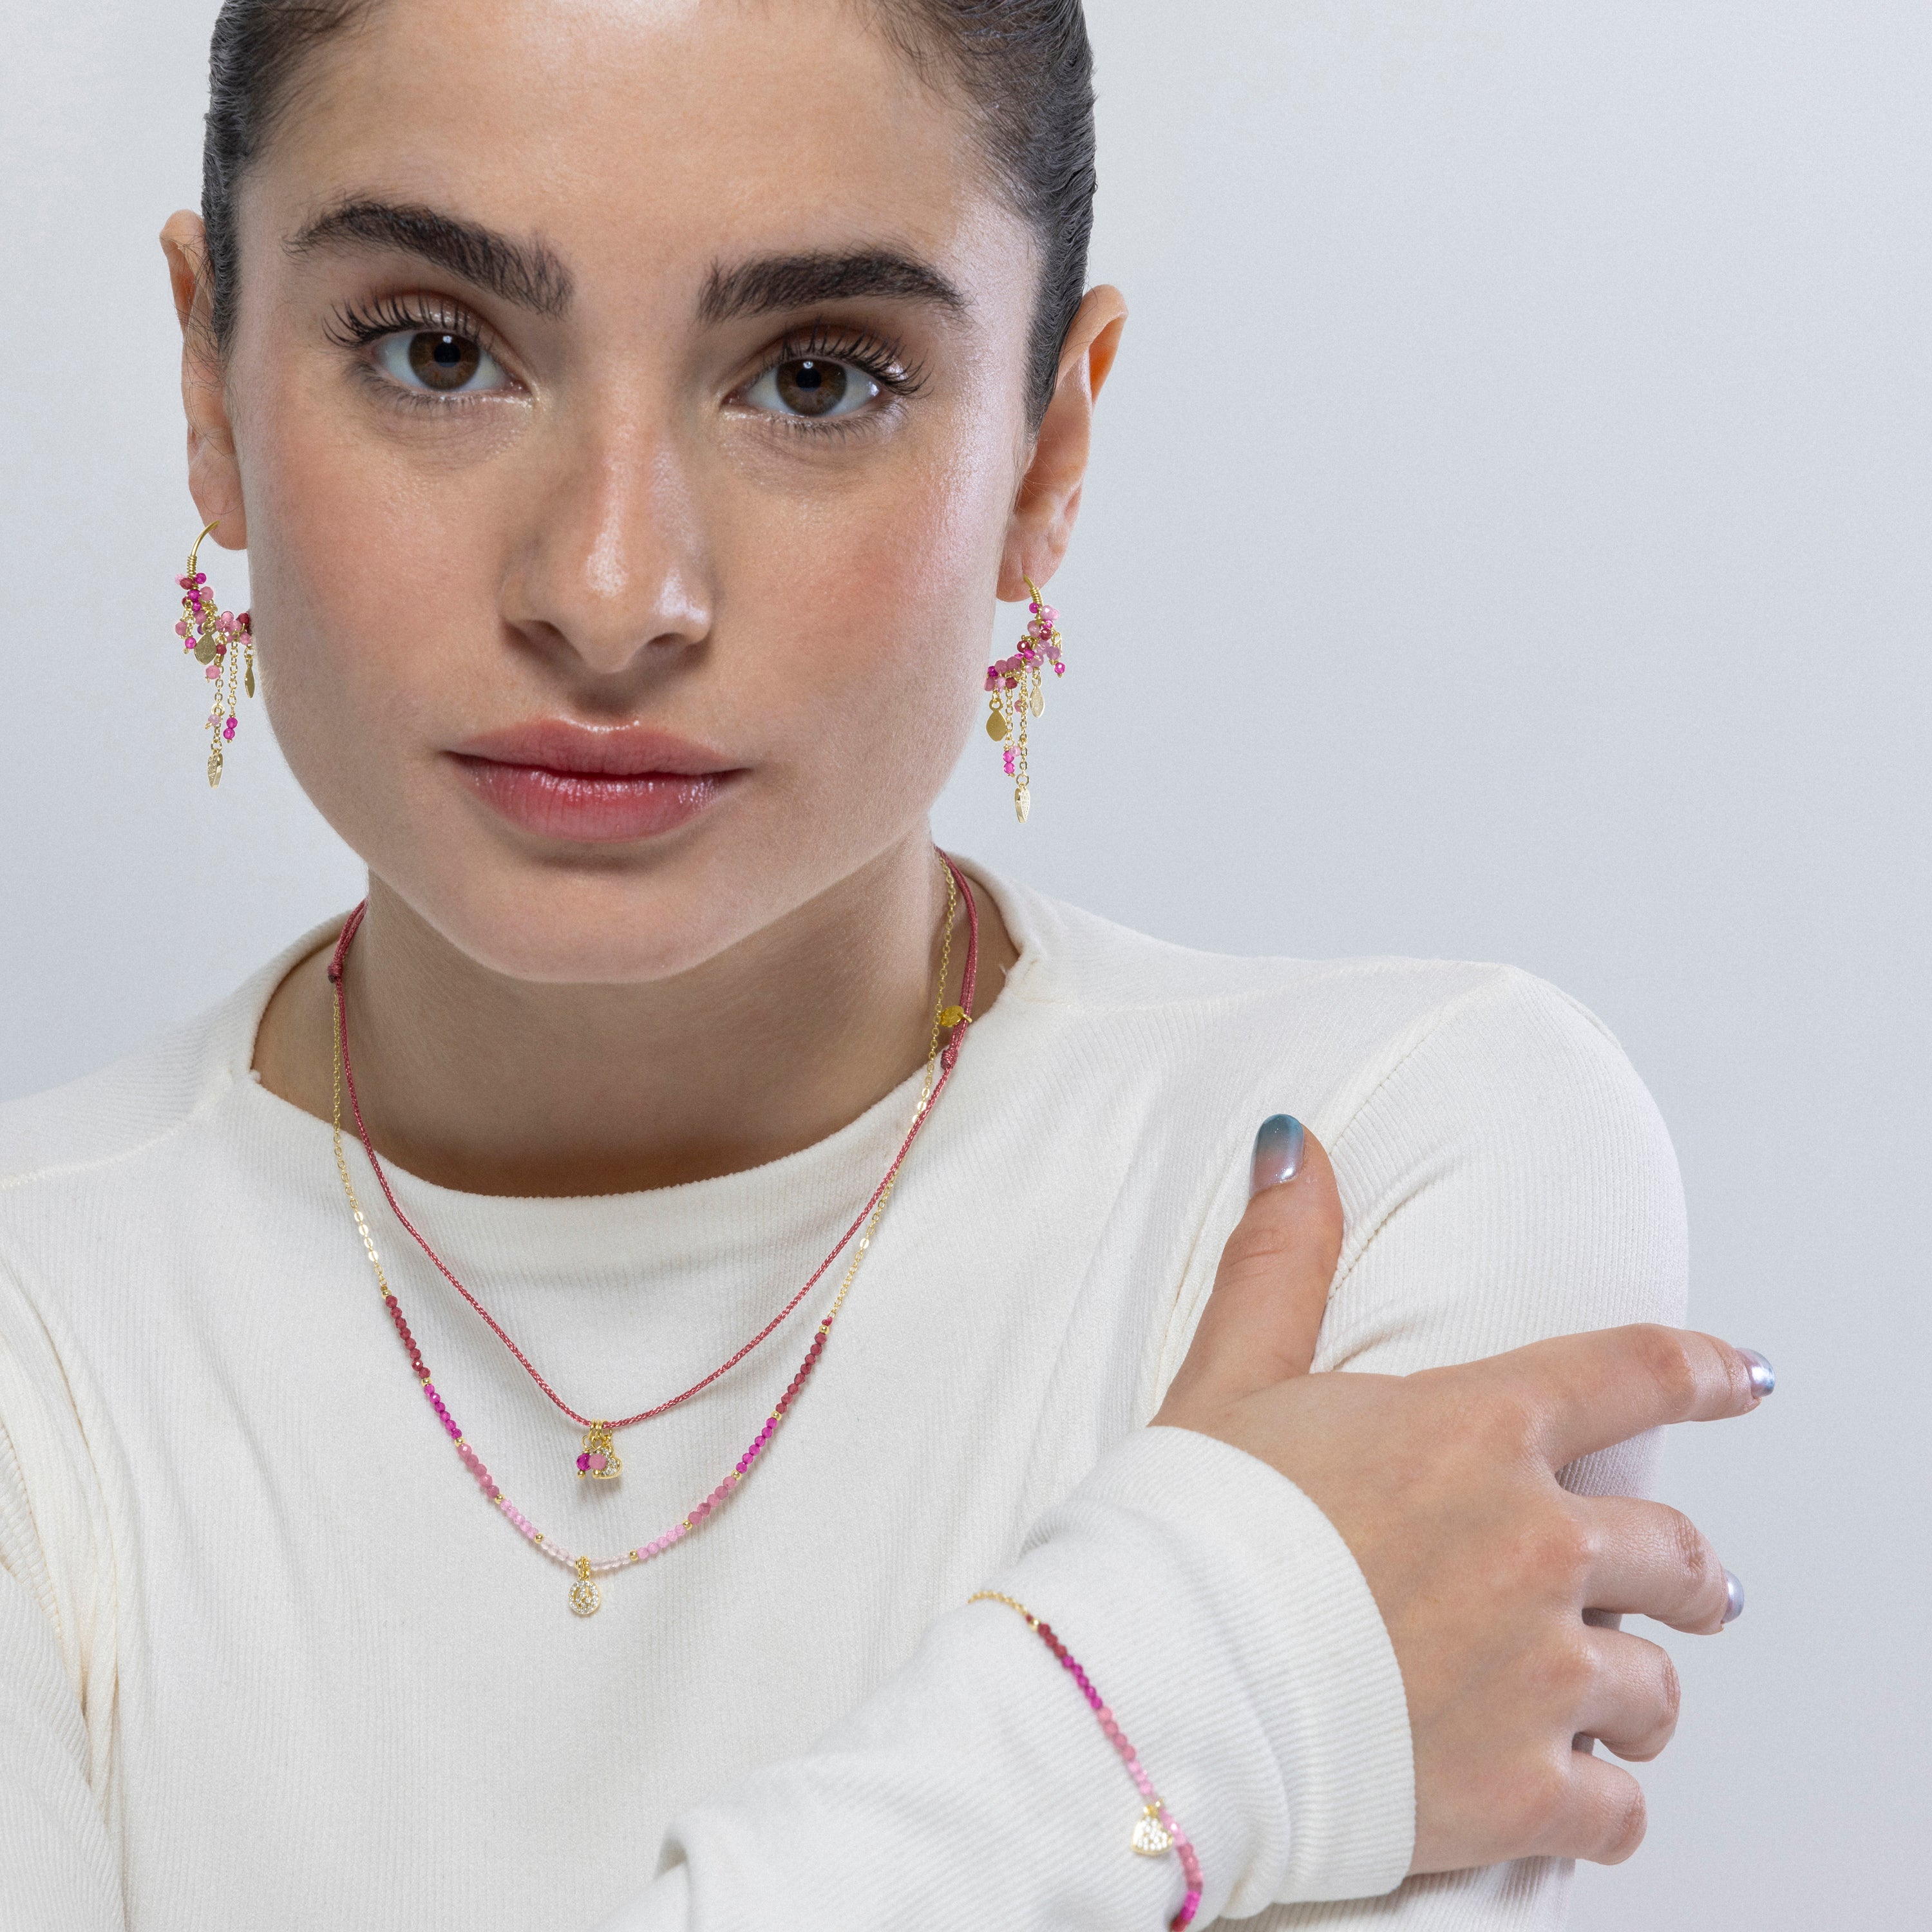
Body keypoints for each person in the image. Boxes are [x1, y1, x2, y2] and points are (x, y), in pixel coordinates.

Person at [0, 3, 1773, 1928]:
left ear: (1046, 453)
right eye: (441, 352)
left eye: (817, 379)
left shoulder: (1385, 1162)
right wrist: (1208, 1687)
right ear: (211, 385)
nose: (610, 593)